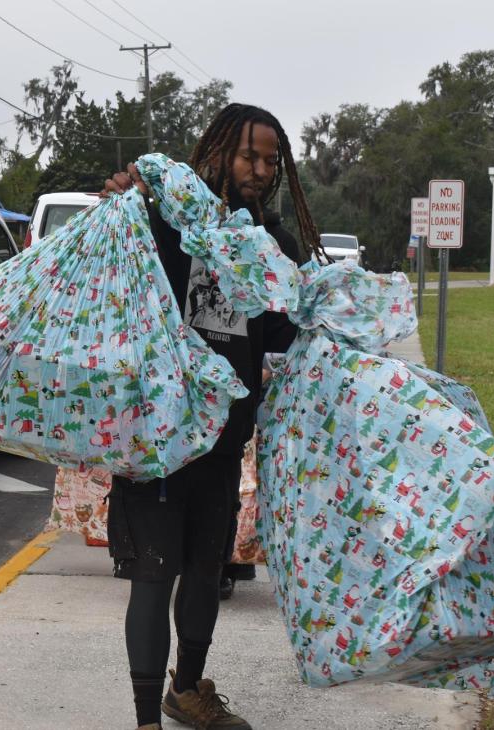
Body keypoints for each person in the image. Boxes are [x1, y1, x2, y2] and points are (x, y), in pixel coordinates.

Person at [103, 103, 324, 730]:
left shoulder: (274, 244)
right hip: (158, 435)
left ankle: (188, 690)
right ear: (220, 152)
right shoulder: (165, 221)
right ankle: (147, 718)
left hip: (225, 435)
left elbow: (281, 333)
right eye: (248, 155)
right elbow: (116, 282)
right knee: (153, 573)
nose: (259, 169)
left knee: (205, 570)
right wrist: (118, 202)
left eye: (270, 160)